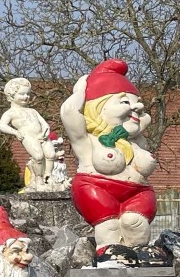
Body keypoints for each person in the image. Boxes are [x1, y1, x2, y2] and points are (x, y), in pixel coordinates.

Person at [61, 58, 165, 265]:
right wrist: (81, 91)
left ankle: (140, 253)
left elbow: (144, 119)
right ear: (98, 108)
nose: (136, 107)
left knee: (135, 224)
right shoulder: (88, 140)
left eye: (137, 103)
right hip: (97, 189)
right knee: (109, 227)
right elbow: (69, 113)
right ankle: (109, 252)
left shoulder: (138, 142)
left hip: (138, 193)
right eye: (125, 102)